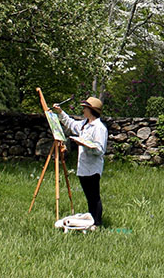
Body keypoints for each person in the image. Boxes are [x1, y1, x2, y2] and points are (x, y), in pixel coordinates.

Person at [51, 97, 107, 228]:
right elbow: (70, 124)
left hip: (93, 167)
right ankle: (91, 221)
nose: (83, 110)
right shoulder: (83, 124)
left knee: (94, 196)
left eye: (85, 108)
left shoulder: (99, 128)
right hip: (83, 167)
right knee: (88, 196)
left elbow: (100, 149)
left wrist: (85, 145)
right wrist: (60, 112)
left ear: (91, 110)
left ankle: (97, 223)